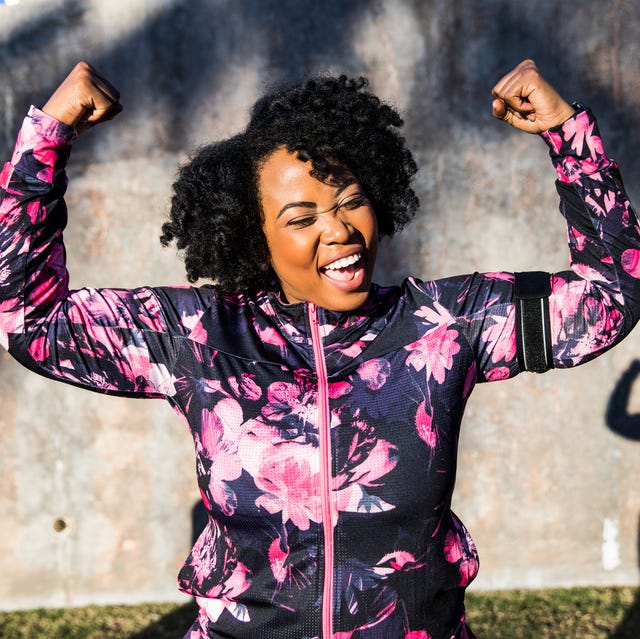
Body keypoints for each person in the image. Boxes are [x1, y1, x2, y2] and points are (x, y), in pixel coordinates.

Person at [0, 59, 639, 639]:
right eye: (301, 218)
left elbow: (612, 293)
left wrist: (568, 135)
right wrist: (46, 140)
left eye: (351, 201)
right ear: (255, 235)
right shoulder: (197, 336)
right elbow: (28, 316)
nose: (338, 231)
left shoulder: (444, 323)